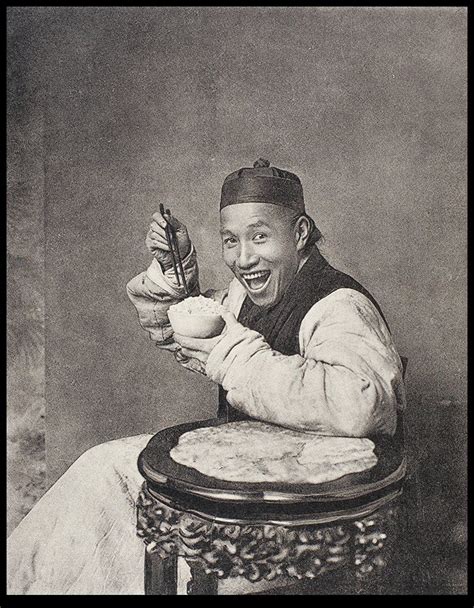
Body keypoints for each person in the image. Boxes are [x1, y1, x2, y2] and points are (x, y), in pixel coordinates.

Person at [7, 159, 405, 595]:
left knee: (135, 549)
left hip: (298, 516)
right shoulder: (248, 295)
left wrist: (231, 352)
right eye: (230, 241)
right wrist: (174, 264)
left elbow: (361, 405)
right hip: (242, 485)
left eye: (259, 236)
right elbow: (194, 328)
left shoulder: (339, 304)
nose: (243, 258)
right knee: (101, 470)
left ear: (301, 233)